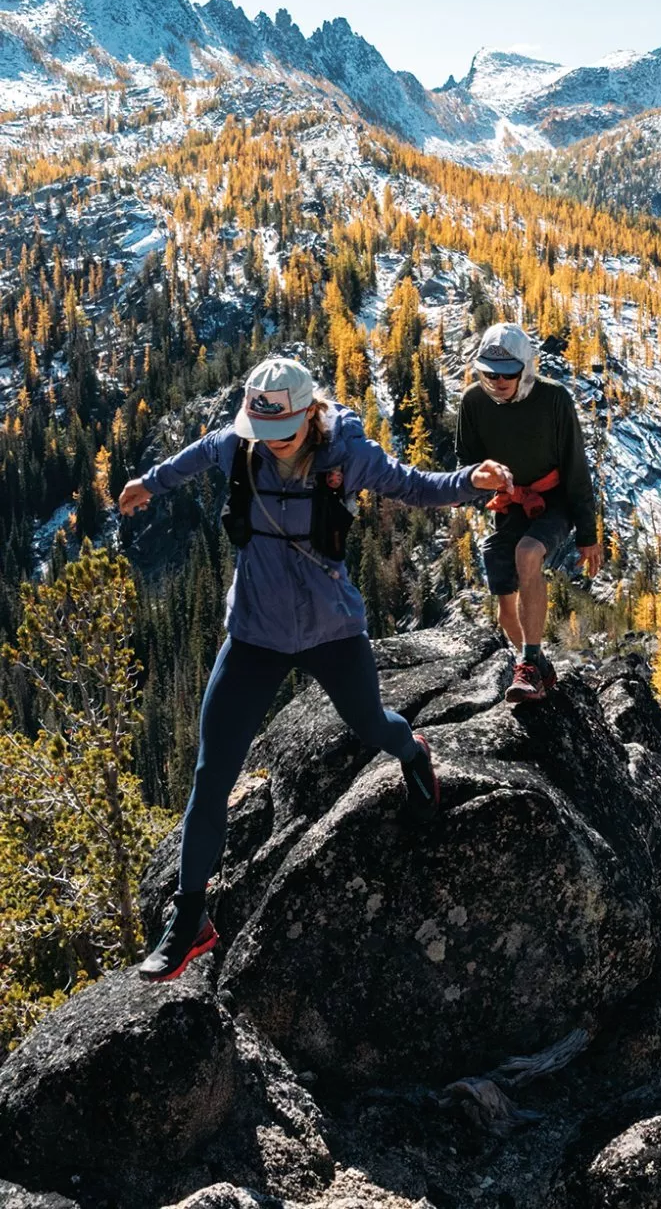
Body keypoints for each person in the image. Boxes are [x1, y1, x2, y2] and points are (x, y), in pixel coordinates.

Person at [119, 355, 508, 981]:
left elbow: (411, 485)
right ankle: (191, 918)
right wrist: (148, 483)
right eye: (260, 435)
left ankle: (413, 752)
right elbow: (195, 455)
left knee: (371, 726)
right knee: (212, 770)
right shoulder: (241, 447)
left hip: (331, 628)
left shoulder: (346, 454)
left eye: (282, 435)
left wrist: (471, 481)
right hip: (254, 634)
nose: (268, 447)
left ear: (310, 416)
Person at [455, 322, 602, 705]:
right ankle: (537, 664)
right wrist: (469, 484)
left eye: (507, 373)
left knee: (528, 553)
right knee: (506, 606)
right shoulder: (473, 401)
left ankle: (530, 666)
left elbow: (576, 467)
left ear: (526, 368)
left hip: (556, 501)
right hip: (512, 502)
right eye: (489, 372)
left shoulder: (554, 400)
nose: (498, 380)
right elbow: (466, 462)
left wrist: (587, 534)